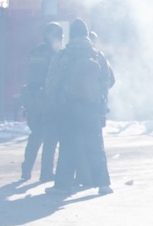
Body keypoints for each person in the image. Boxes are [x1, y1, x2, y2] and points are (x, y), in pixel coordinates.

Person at [46, 19, 114, 196]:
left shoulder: (63, 55)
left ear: (72, 35)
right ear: (86, 34)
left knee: (68, 146)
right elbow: (109, 80)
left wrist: (54, 103)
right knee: (95, 145)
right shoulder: (97, 55)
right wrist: (99, 99)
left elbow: (52, 83)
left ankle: (62, 185)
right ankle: (103, 185)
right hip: (91, 107)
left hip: (68, 107)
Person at [20, 22, 63, 182]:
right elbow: (56, 77)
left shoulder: (35, 52)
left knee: (36, 135)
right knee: (51, 136)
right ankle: (46, 172)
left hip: (32, 99)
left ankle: (26, 169)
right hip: (47, 99)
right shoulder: (54, 53)